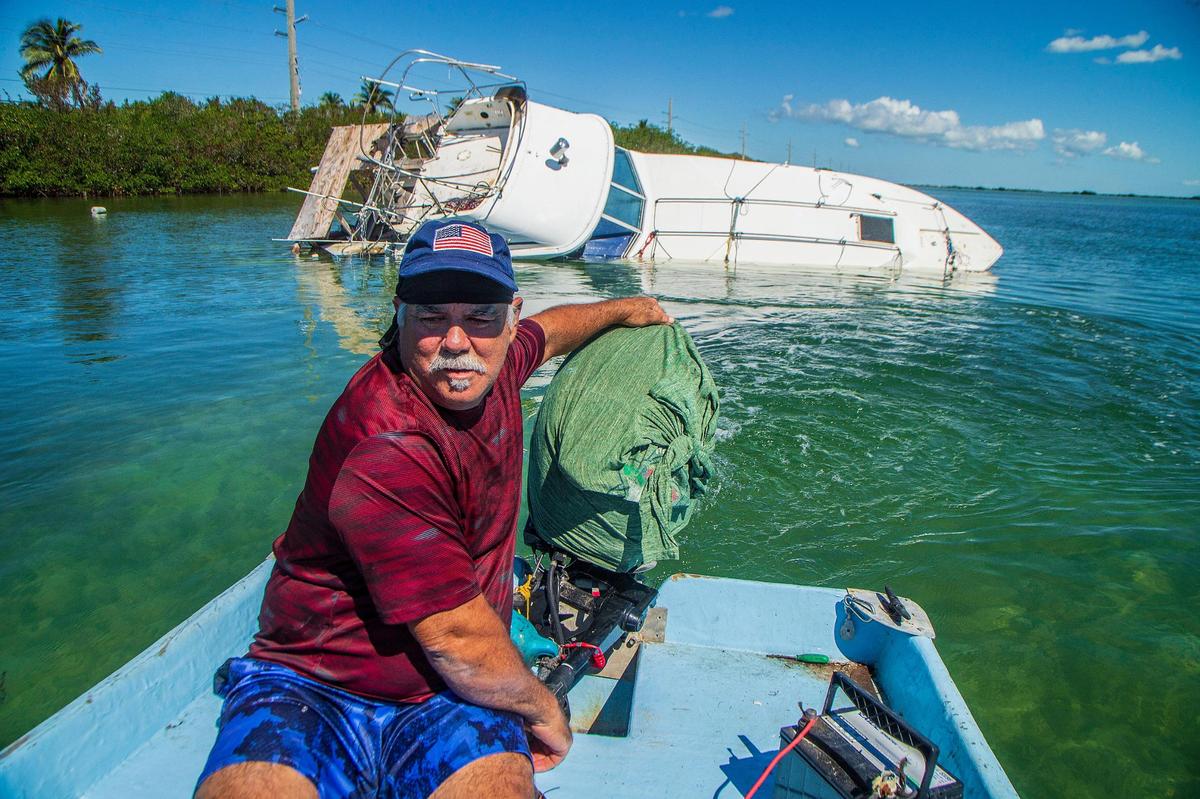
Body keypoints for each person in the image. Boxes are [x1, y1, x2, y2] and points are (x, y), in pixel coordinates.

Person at [195, 219, 673, 799]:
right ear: (399, 313)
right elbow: (459, 641)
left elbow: (552, 331)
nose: (455, 341)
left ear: (510, 314)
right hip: (314, 683)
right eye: (430, 317)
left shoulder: (494, 364)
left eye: (479, 316)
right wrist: (545, 709)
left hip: (444, 699)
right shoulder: (386, 444)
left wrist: (626, 309)